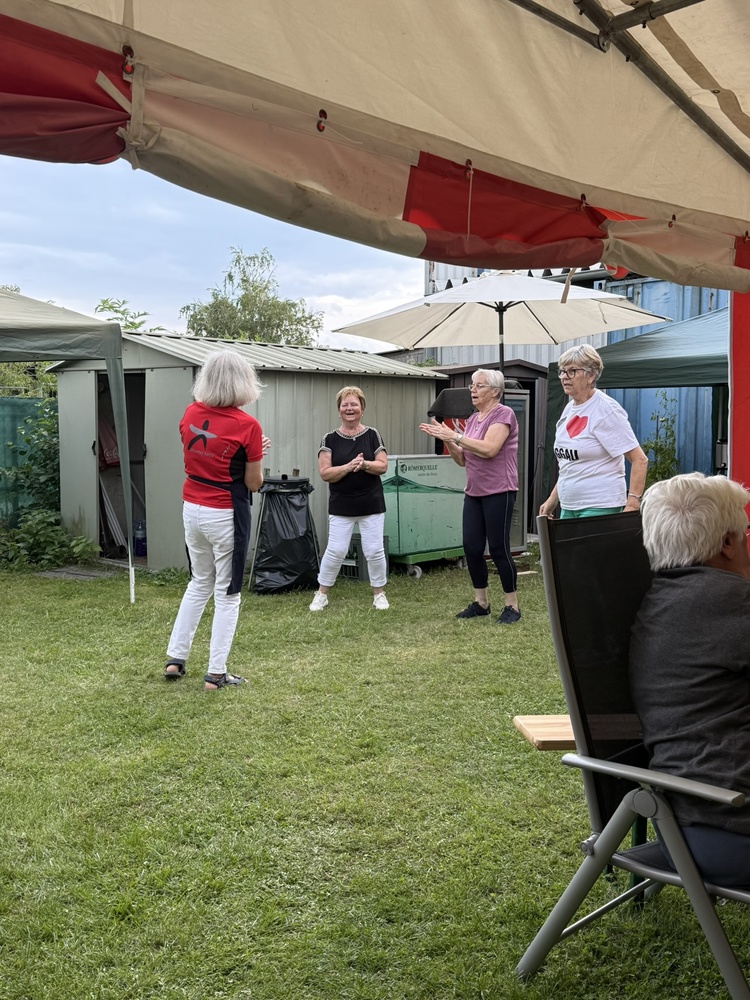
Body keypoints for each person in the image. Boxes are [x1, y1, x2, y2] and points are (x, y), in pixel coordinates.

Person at [629, 473, 750, 886]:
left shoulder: (666, 600)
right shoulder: (735, 603)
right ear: (728, 543)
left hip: (689, 819)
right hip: (730, 826)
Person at [164, 351, 269, 691]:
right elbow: (254, 483)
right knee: (228, 593)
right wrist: (257, 454)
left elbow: (201, 454)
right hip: (225, 512)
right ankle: (216, 673)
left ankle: (175, 658)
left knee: (198, 582)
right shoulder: (247, 426)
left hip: (192, 507)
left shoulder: (190, 412)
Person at [420, 369, 521, 624]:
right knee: (472, 547)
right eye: (471, 386)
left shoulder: (503, 414)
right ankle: (481, 603)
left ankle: (512, 606)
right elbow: (462, 460)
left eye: (479, 386)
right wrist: (448, 439)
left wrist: (455, 435)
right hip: (474, 491)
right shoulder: (474, 418)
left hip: (500, 490)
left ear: (495, 391)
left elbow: (489, 449)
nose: (472, 390)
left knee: (498, 548)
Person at [540, 344, 647, 519]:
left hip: (599, 506)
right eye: (562, 371)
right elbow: (569, 464)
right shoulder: (569, 409)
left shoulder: (606, 409)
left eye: (572, 371)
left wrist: (632, 503)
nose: (564, 377)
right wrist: (553, 499)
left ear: (590, 376)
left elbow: (639, 460)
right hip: (569, 505)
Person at [309, 386, 389, 611]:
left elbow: (383, 466)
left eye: (354, 404)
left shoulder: (373, 434)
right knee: (336, 550)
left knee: (374, 550)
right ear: (339, 410)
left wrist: (364, 464)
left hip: (371, 503)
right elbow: (325, 473)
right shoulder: (329, 439)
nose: (349, 408)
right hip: (341, 505)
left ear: (362, 409)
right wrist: (348, 466)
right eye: (345, 405)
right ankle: (321, 594)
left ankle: (379, 594)